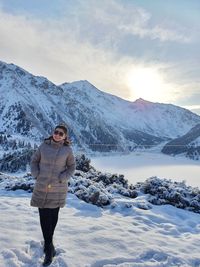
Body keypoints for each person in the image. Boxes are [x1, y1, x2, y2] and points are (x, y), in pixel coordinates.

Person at [30, 123, 76, 266]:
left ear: (65, 136)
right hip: (42, 187)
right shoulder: (43, 146)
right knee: (44, 218)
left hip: (57, 188)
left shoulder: (67, 150)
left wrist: (63, 178)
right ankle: (49, 249)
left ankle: (48, 247)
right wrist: (36, 174)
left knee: (53, 217)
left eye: (61, 133)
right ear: (53, 132)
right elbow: (34, 161)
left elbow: (72, 166)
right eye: (56, 132)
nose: (57, 135)